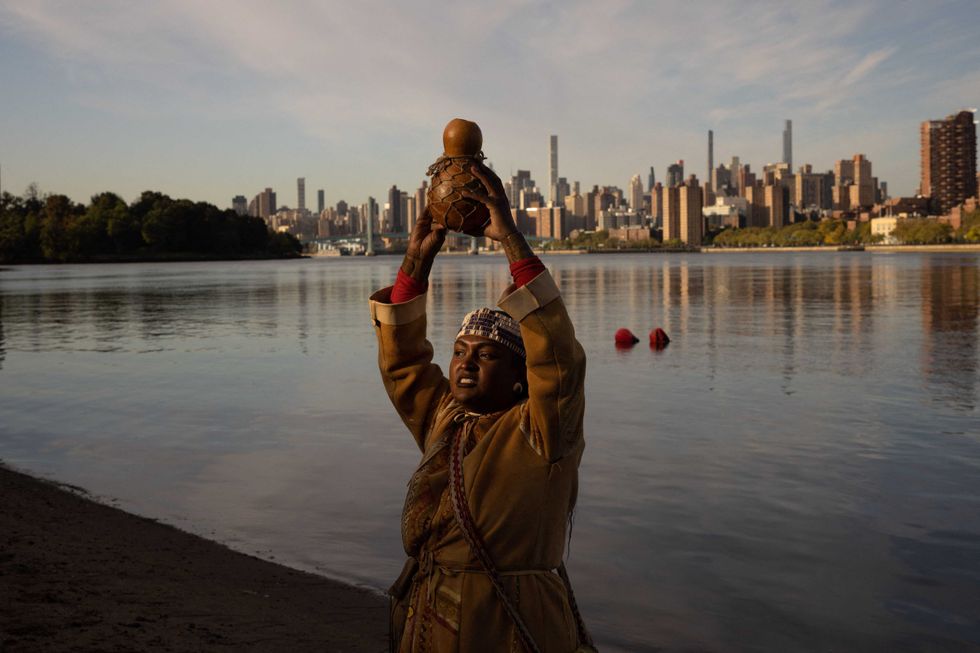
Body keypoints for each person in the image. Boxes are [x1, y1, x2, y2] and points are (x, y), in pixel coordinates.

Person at [369, 162, 592, 652]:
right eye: (460, 352)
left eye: (487, 355)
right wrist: (416, 261)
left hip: (509, 625)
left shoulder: (542, 430)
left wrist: (511, 240)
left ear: (521, 379)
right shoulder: (446, 420)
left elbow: (558, 361)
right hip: (430, 620)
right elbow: (403, 363)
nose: (466, 365)